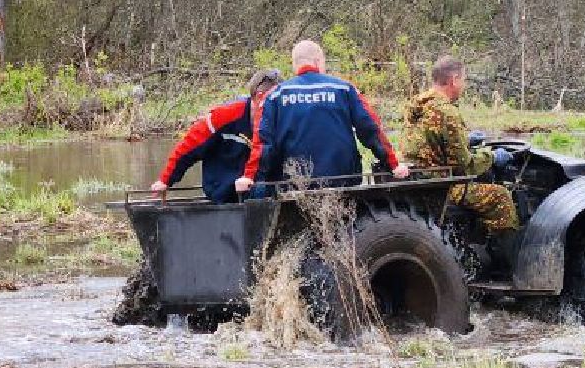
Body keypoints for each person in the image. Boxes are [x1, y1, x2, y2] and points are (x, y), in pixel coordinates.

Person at [235, 40, 409, 194]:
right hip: (344, 181)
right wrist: (393, 164)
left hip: (296, 184)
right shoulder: (344, 89)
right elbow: (370, 129)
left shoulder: (274, 96)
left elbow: (263, 143)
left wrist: (250, 177)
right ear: (318, 61)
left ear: (295, 64)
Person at [404, 56, 518, 238]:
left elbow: (431, 142)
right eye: (463, 80)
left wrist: (465, 140)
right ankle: (500, 258)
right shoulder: (448, 113)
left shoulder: (418, 105)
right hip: (443, 186)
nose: (464, 86)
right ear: (454, 80)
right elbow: (466, 166)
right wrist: (494, 157)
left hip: (420, 180)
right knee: (501, 196)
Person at [150, 68, 282, 203]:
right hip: (222, 190)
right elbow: (188, 147)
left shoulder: (283, 119)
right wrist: (165, 180)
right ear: (258, 96)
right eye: (273, 101)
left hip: (261, 189)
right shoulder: (225, 114)